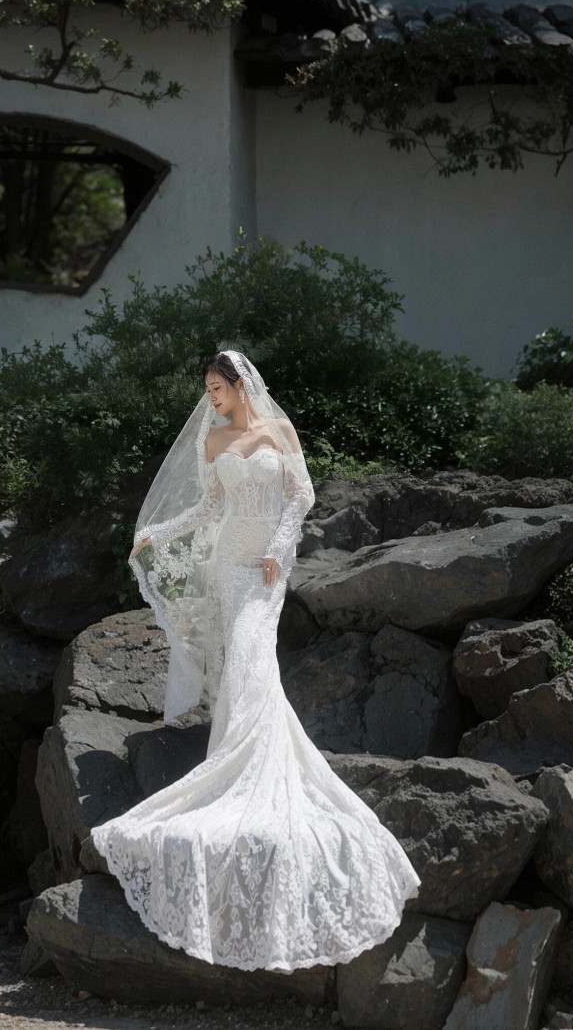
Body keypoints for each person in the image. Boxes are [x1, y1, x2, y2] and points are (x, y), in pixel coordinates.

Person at [91, 350, 420, 973]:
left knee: (251, 654)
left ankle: (247, 767)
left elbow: (302, 493)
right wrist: (158, 534)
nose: (211, 397)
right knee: (244, 665)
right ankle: (233, 765)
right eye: (207, 389)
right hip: (227, 565)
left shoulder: (278, 429)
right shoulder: (213, 440)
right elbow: (209, 509)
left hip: (266, 568)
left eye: (218, 387)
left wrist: (278, 545)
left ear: (241, 385)